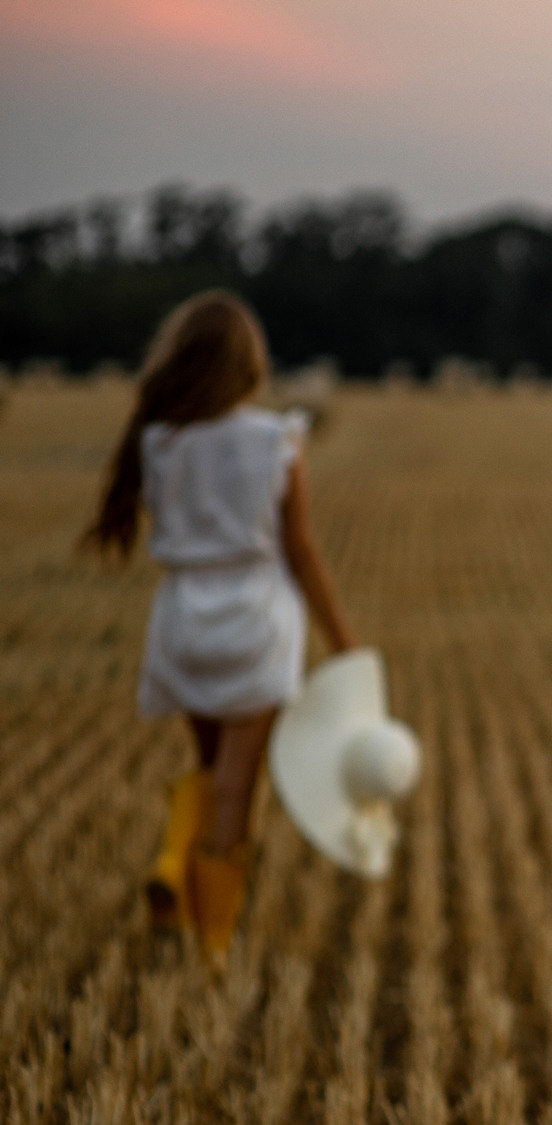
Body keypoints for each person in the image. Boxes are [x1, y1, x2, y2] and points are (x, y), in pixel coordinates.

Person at [89, 290, 357, 969]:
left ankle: (174, 859)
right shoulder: (277, 441)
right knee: (237, 784)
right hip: (254, 620)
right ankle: (212, 940)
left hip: (182, 620)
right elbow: (301, 551)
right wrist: (344, 643)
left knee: (207, 767)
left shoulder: (157, 440)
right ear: (248, 365)